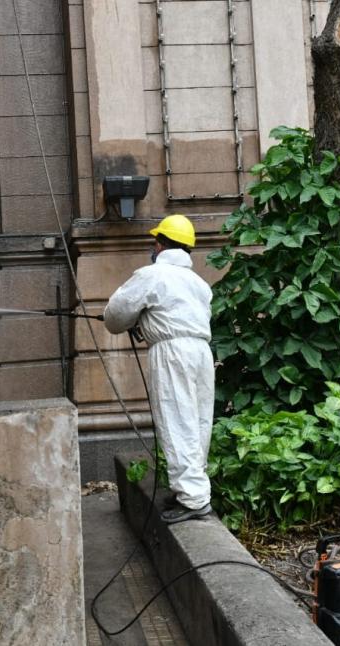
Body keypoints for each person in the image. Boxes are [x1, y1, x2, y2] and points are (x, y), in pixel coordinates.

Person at [103, 214, 215, 523]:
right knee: (197, 420)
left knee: (176, 419)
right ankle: (192, 490)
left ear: (159, 244)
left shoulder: (153, 274)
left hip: (172, 351)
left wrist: (137, 319)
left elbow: (115, 315)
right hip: (201, 352)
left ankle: (192, 500)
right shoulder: (200, 284)